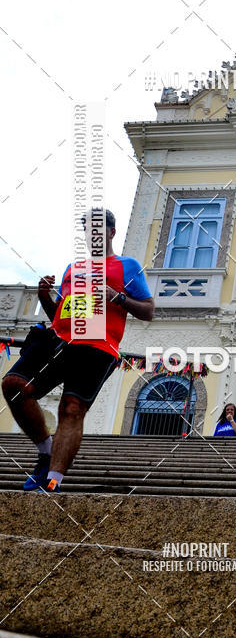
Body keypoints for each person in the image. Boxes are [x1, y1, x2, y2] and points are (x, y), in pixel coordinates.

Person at [1, 208, 154, 493]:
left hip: (98, 346)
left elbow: (148, 311)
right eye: (87, 229)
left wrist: (118, 297)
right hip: (59, 340)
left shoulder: (127, 266)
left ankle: (52, 480)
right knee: (13, 385)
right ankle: (45, 450)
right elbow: (60, 315)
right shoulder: (74, 269)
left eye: (98, 228)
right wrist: (44, 296)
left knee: (71, 408)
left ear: (111, 232)